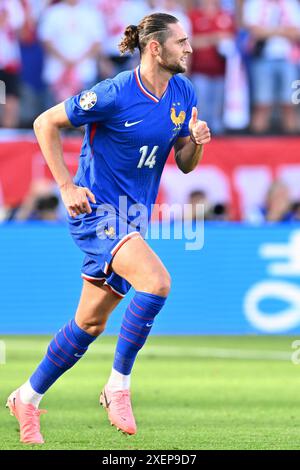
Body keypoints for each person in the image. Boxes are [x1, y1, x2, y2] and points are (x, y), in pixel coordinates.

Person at [6, 12, 211, 444]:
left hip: (133, 219)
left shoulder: (183, 91)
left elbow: (186, 165)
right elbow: (45, 123)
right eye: (182, 42)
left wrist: (195, 141)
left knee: (89, 325)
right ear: (155, 47)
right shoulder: (115, 92)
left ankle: (26, 396)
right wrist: (65, 186)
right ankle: (117, 385)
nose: (189, 48)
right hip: (96, 212)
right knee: (156, 283)